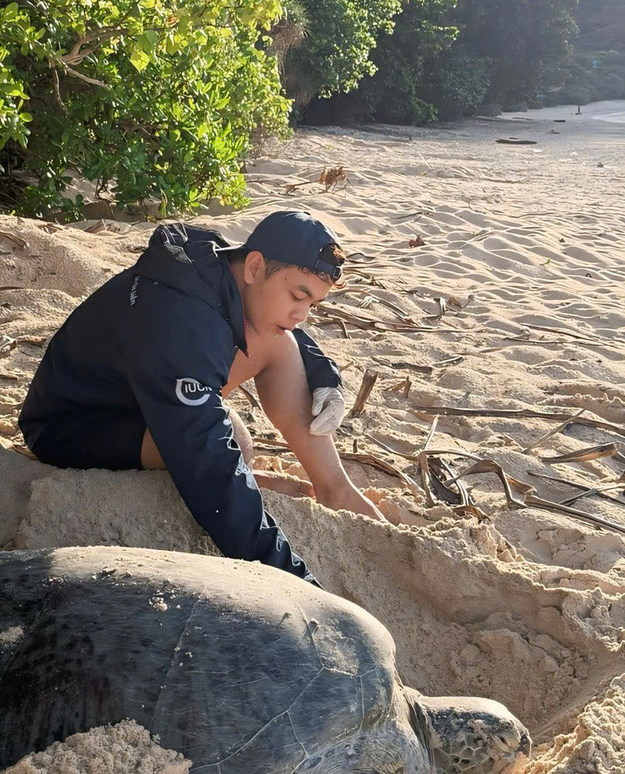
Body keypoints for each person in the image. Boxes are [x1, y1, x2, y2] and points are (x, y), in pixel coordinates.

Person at [19, 210, 382, 581]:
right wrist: (295, 579)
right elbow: (212, 477)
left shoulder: (218, 266)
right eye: (297, 296)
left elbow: (279, 325)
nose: (302, 314)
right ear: (255, 266)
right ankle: (246, 475)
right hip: (72, 425)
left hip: (140, 392)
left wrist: (325, 375)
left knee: (281, 343)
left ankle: (335, 488)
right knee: (234, 442)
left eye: (312, 304)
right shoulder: (182, 324)